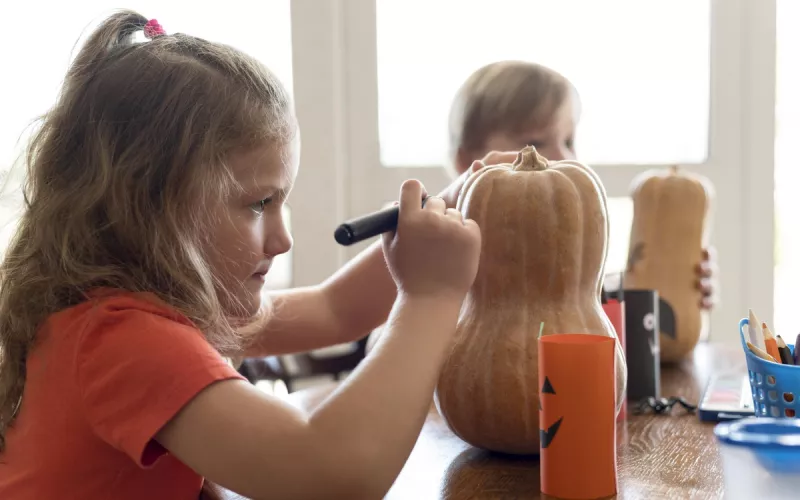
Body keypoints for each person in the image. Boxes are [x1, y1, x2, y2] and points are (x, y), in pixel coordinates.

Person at [0, 11, 490, 500]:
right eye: (259, 203)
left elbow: (334, 310)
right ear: (150, 205)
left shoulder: (139, 307)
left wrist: (461, 199)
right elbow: (333, 473)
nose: (283, 239)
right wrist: (432, 295)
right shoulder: (120, 339)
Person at [446, 60, 717, 306]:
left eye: (568, 141)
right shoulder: (442, 251)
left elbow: (587, 306)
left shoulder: (569, 241)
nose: (563, 157)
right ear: (467, 159)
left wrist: (664, 290)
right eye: (535, 143)